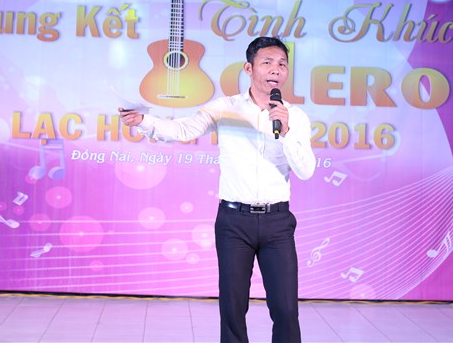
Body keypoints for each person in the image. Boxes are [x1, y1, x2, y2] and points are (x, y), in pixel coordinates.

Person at [119, 36, 316, 343]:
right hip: (234, 222)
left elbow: (305, 170)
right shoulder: (225, 108)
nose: (275, 70)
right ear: (249, 68)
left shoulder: (296, 117)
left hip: (277, 222)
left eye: (282, 64)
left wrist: (287, 131)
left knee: (286, 309)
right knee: (232, 308)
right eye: (267, 62)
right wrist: (145, 121)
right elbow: (183, 129)